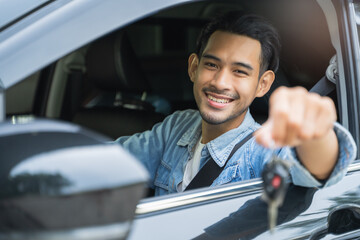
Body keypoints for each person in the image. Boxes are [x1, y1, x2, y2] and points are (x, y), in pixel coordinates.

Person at [116, 12, 356, 196]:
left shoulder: (261, 149)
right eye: (211, 65)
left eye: (240, 72)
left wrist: (316, 136)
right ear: (193, 68)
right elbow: (112, 160)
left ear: (263, 84)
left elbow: (317, 171)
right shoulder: (177, 126)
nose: (220, 82)